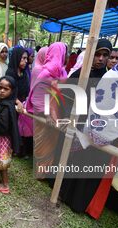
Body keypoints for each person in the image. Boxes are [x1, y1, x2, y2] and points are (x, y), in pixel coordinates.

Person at [60, 37, 118, 215]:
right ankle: (65, 195)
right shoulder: (110, 76)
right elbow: (97, 104)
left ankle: (78, 204)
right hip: (90, 130)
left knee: (93, 171)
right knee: (79, 164)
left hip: (113, 139)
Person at [26, 42, 68, 175]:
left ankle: (46, 173)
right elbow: (38, 97)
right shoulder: (43, 72)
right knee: (42, 144)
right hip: (43, 114)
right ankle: (40, 173)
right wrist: (48, 114)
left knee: (50, 144)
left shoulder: (60, 71)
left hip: (55, 112)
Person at [0, 76, 20, 194]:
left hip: (2, 139)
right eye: (0, 87)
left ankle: (5, 185)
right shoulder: (7, 101)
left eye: (5, 89)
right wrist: (18, 101)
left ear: (11, 91)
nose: (1, 91)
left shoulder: (7, 106)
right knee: (0, 159)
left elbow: (2, 125)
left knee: (2, 161)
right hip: (1, 138)